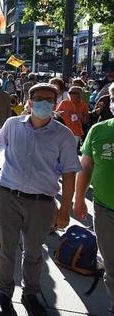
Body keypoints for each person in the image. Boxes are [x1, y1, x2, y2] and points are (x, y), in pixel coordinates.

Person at [0, 83, 81, 316]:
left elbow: (70, 173)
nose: (44, 103)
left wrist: (64, 209)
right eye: (39, 98)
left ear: (56, 104)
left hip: (42, 202)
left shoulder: (63, 135)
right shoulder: (12, 125)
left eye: (50, 99)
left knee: (34, 251)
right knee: (6, 249)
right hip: (8, 196)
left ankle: (31, 294)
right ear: (29, 101)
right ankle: (4, 294)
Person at [74, 83, 114, 314]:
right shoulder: (98, 130)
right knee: (111, 266)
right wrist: (79, 199)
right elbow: (86, 168)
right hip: (104, 209)